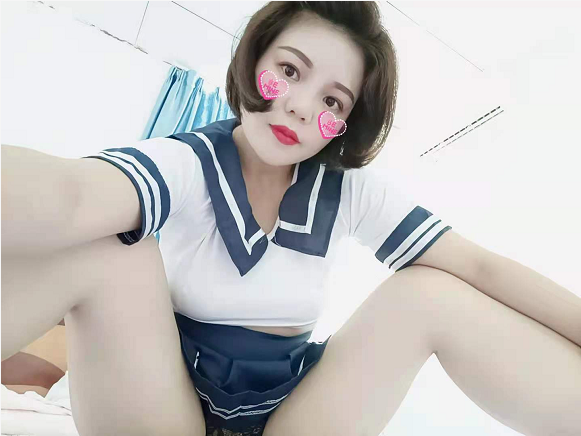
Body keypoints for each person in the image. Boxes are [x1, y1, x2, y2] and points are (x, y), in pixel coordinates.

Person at [3, 2, 581, 436]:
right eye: (290, 69)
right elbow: (70, 195)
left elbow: (478, 266)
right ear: (254, 59)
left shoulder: (347, 191)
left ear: (347, 122)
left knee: (429, 292)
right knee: (104, 245)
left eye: (333, 101)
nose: (302, 106)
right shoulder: (188, 161)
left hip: (290, 417)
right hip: (167, 412)